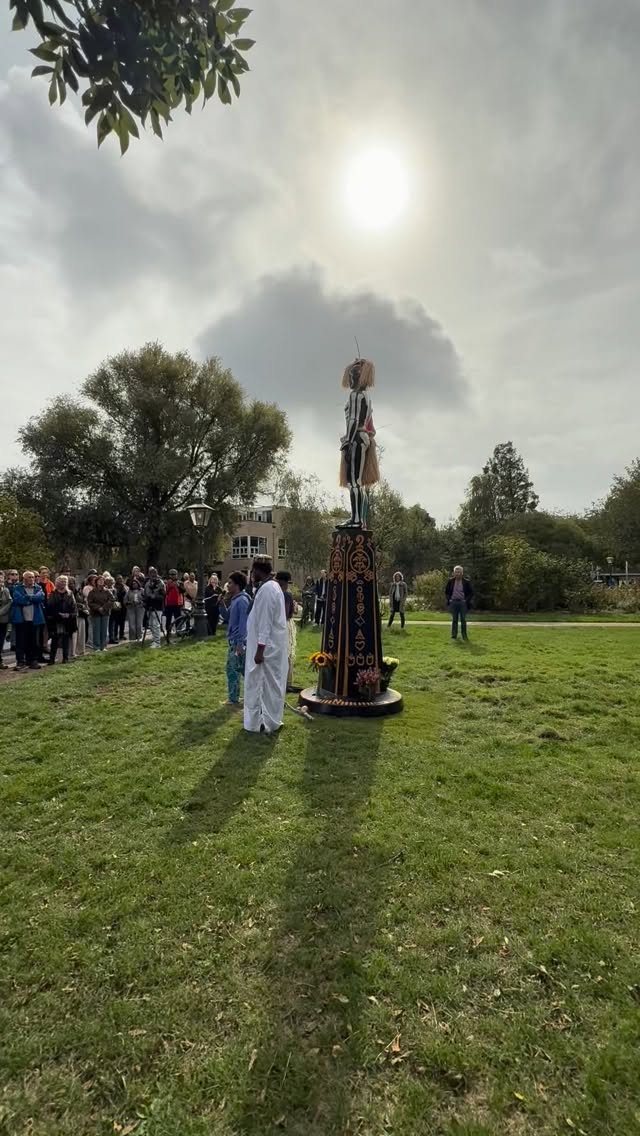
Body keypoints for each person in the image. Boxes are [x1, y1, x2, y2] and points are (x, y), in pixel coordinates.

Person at [244, 556, 288, 734]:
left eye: (252, 572)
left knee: (261, 685)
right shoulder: (272, 586)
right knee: (271, 685)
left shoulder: (268, 589)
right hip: (270, 646)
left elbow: (265, 622)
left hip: (265, 649)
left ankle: (261, 723)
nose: (252, 575)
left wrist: (259, 650)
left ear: (257, 571)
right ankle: (270, 721)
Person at [338, 357, 380, 528]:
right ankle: (358, 519)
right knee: (357, 482)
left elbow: (354, 420)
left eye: (354, 374)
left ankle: (356, 519)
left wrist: (348, 440)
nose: (352, 377)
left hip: (356, 437)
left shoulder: (355, 395)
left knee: (353, 481)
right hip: (362, 438)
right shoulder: (366, 397)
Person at [222, 571, 251, 706]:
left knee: (233, 670)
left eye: (231, 583)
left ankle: (234, 698)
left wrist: (240, 643)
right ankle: (245, 696)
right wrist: (221, 604)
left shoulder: (242, 601)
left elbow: (243, 624)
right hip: (234, 641)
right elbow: (228, 617)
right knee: (242, 669)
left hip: (238, 642)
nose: (228, 585)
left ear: (238, 585)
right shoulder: (235, 599)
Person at [11, 570, 46, 670]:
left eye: (33, 577)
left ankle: (33, 660)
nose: (32, 579)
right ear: (24, 579)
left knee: (34, 641)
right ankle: (20, 661)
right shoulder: (17, 588)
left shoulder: (38, 587)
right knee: (20, 641)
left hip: (34, 619)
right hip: (21, 619)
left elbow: (40, 597)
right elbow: (18, 599)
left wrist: (28, 598)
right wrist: (32, 600)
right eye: (29, 577)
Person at [276, 570, 300, 692]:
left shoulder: (277, 593)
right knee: (288, 654)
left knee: (283, 653)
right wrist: (294, 606)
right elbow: (289, 613)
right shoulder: (287, 594)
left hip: (280, 625)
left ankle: (282, 681)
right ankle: (286, 681)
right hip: (286, 625)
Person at [47, 574, 77, 664]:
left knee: (66, 640)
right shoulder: (53, 594)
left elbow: (74, 607)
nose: (63, 583)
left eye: (65, 582)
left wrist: (69, 615)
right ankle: (52, 659)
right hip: (55, 620)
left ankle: (65, 658)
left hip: (67, 620)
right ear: (57, 583)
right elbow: (50, 606)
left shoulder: (70, 594)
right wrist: (58, 614)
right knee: (55, 640)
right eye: (61, 582)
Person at [445, 565, 473, 641]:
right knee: (454, 619)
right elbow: (446, 592)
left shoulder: (466, 582)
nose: (457, 574)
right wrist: (449, 599)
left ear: (462, 573)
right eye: (456, 572)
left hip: (462, 603)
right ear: (454, 573)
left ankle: (464, 635)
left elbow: (471, 593)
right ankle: (454, 635)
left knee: (463, 619)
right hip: (453, 602)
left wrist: (466, 600)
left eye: (459, 572)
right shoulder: (450, 581)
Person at [87, 574, 114, 652]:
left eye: (102, 580)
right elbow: (90, 602)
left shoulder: (107, 591)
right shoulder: (92, 592)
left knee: (104, 630)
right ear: (96, 582)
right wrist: (98, 608)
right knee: (96, 630)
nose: (101, 582)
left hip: (105, 613)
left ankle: (103, 646)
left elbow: (112, 600)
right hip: (95, 613)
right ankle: (96, 647)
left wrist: (104, 607)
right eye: (99, 580)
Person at [143, 567, 165, 648]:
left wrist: (154, 596)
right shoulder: (147, 583)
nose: (152, 575)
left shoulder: (161, 583)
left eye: (154, 573)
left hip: (157, 606)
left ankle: (157, 642)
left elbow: (163, 595)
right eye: (150, 573)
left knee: (156, 625)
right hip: (149, 606)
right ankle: (154, 640)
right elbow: (145, 594)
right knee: (151, 625)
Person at [69, 576, 88, 656]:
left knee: (82, 634)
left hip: (81, 614)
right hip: (73, 615)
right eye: (70, 583)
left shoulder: (77, 592)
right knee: (74, 635)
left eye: (73, 583)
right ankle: (73, 652)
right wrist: (79, 605)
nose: (72, 585)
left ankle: (81, 650)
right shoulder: (68, 593)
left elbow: (82, 600)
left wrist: (83, 605)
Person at [164, 569, 184, 641]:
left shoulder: (180, 582)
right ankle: (168, 631)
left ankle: (178, 631)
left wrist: (178, 585)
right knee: (168, 619)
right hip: (169, 603)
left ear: (176, 575)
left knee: (178, 618)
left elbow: (183, 591)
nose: (172, 576)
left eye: (174, 574)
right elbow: (165, 592)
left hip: (177, 604)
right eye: (171, 574)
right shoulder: (167, 583)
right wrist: (170, 586)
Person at [125, 574, 145, 641]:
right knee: (131, 624)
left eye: (135, 583)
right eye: (133, 583)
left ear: (138, 584)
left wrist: (141, 602)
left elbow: (145, 599)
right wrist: (129, 602)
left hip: (140, 608)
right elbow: (125, 600)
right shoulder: (128, 592)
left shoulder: (142, 590)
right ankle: (132, 638)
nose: (134, 584)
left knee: (139, 624)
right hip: (131, 608)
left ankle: (139, 637)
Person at [108, 574, 127, 643]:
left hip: (123, 606)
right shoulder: (114, 587)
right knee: (116, 622)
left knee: (122, 621)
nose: (120, 580)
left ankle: (121, 634)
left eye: (121, 579)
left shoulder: (124, 587)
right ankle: (115, 635)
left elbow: (126, 594)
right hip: (116, 605)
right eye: (119, 579)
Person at [0, 571, 11, 669]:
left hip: (2, 619)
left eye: (1, 578)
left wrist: (1, 612)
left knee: (0, 640)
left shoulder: (5, 590)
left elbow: (9, 602)